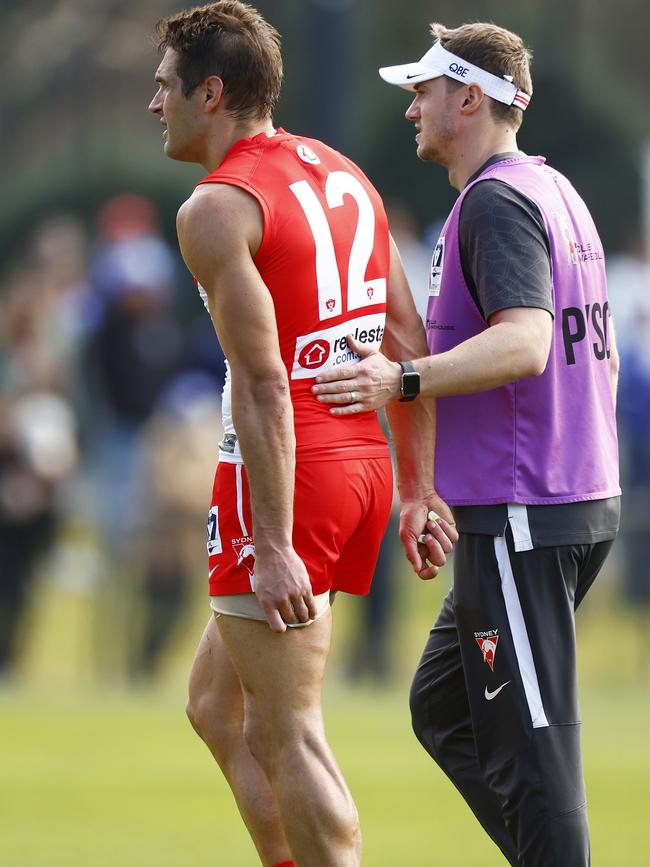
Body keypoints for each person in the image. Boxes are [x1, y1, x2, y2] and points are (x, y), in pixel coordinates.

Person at [147, 4, 456, 866]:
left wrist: (273, 539)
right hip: (359, 459)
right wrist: (415, 484)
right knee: (216, 705)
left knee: (291, 735)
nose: (153, 103)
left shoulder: (214, 207)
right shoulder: (343, 170)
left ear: (212, 93)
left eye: (164, 85)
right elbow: (409, 341)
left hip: (286, 475)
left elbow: (263, 381)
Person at [312, 21, 621, 867]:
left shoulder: (493, 199)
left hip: (527, 511)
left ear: (470, 99)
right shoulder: (554, 190)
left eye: (423, 91)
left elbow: (525, 343)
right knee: (443, 707)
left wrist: (400, 382)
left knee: (539, 758)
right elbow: (604, 353)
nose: (412, 107)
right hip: (552, 500)